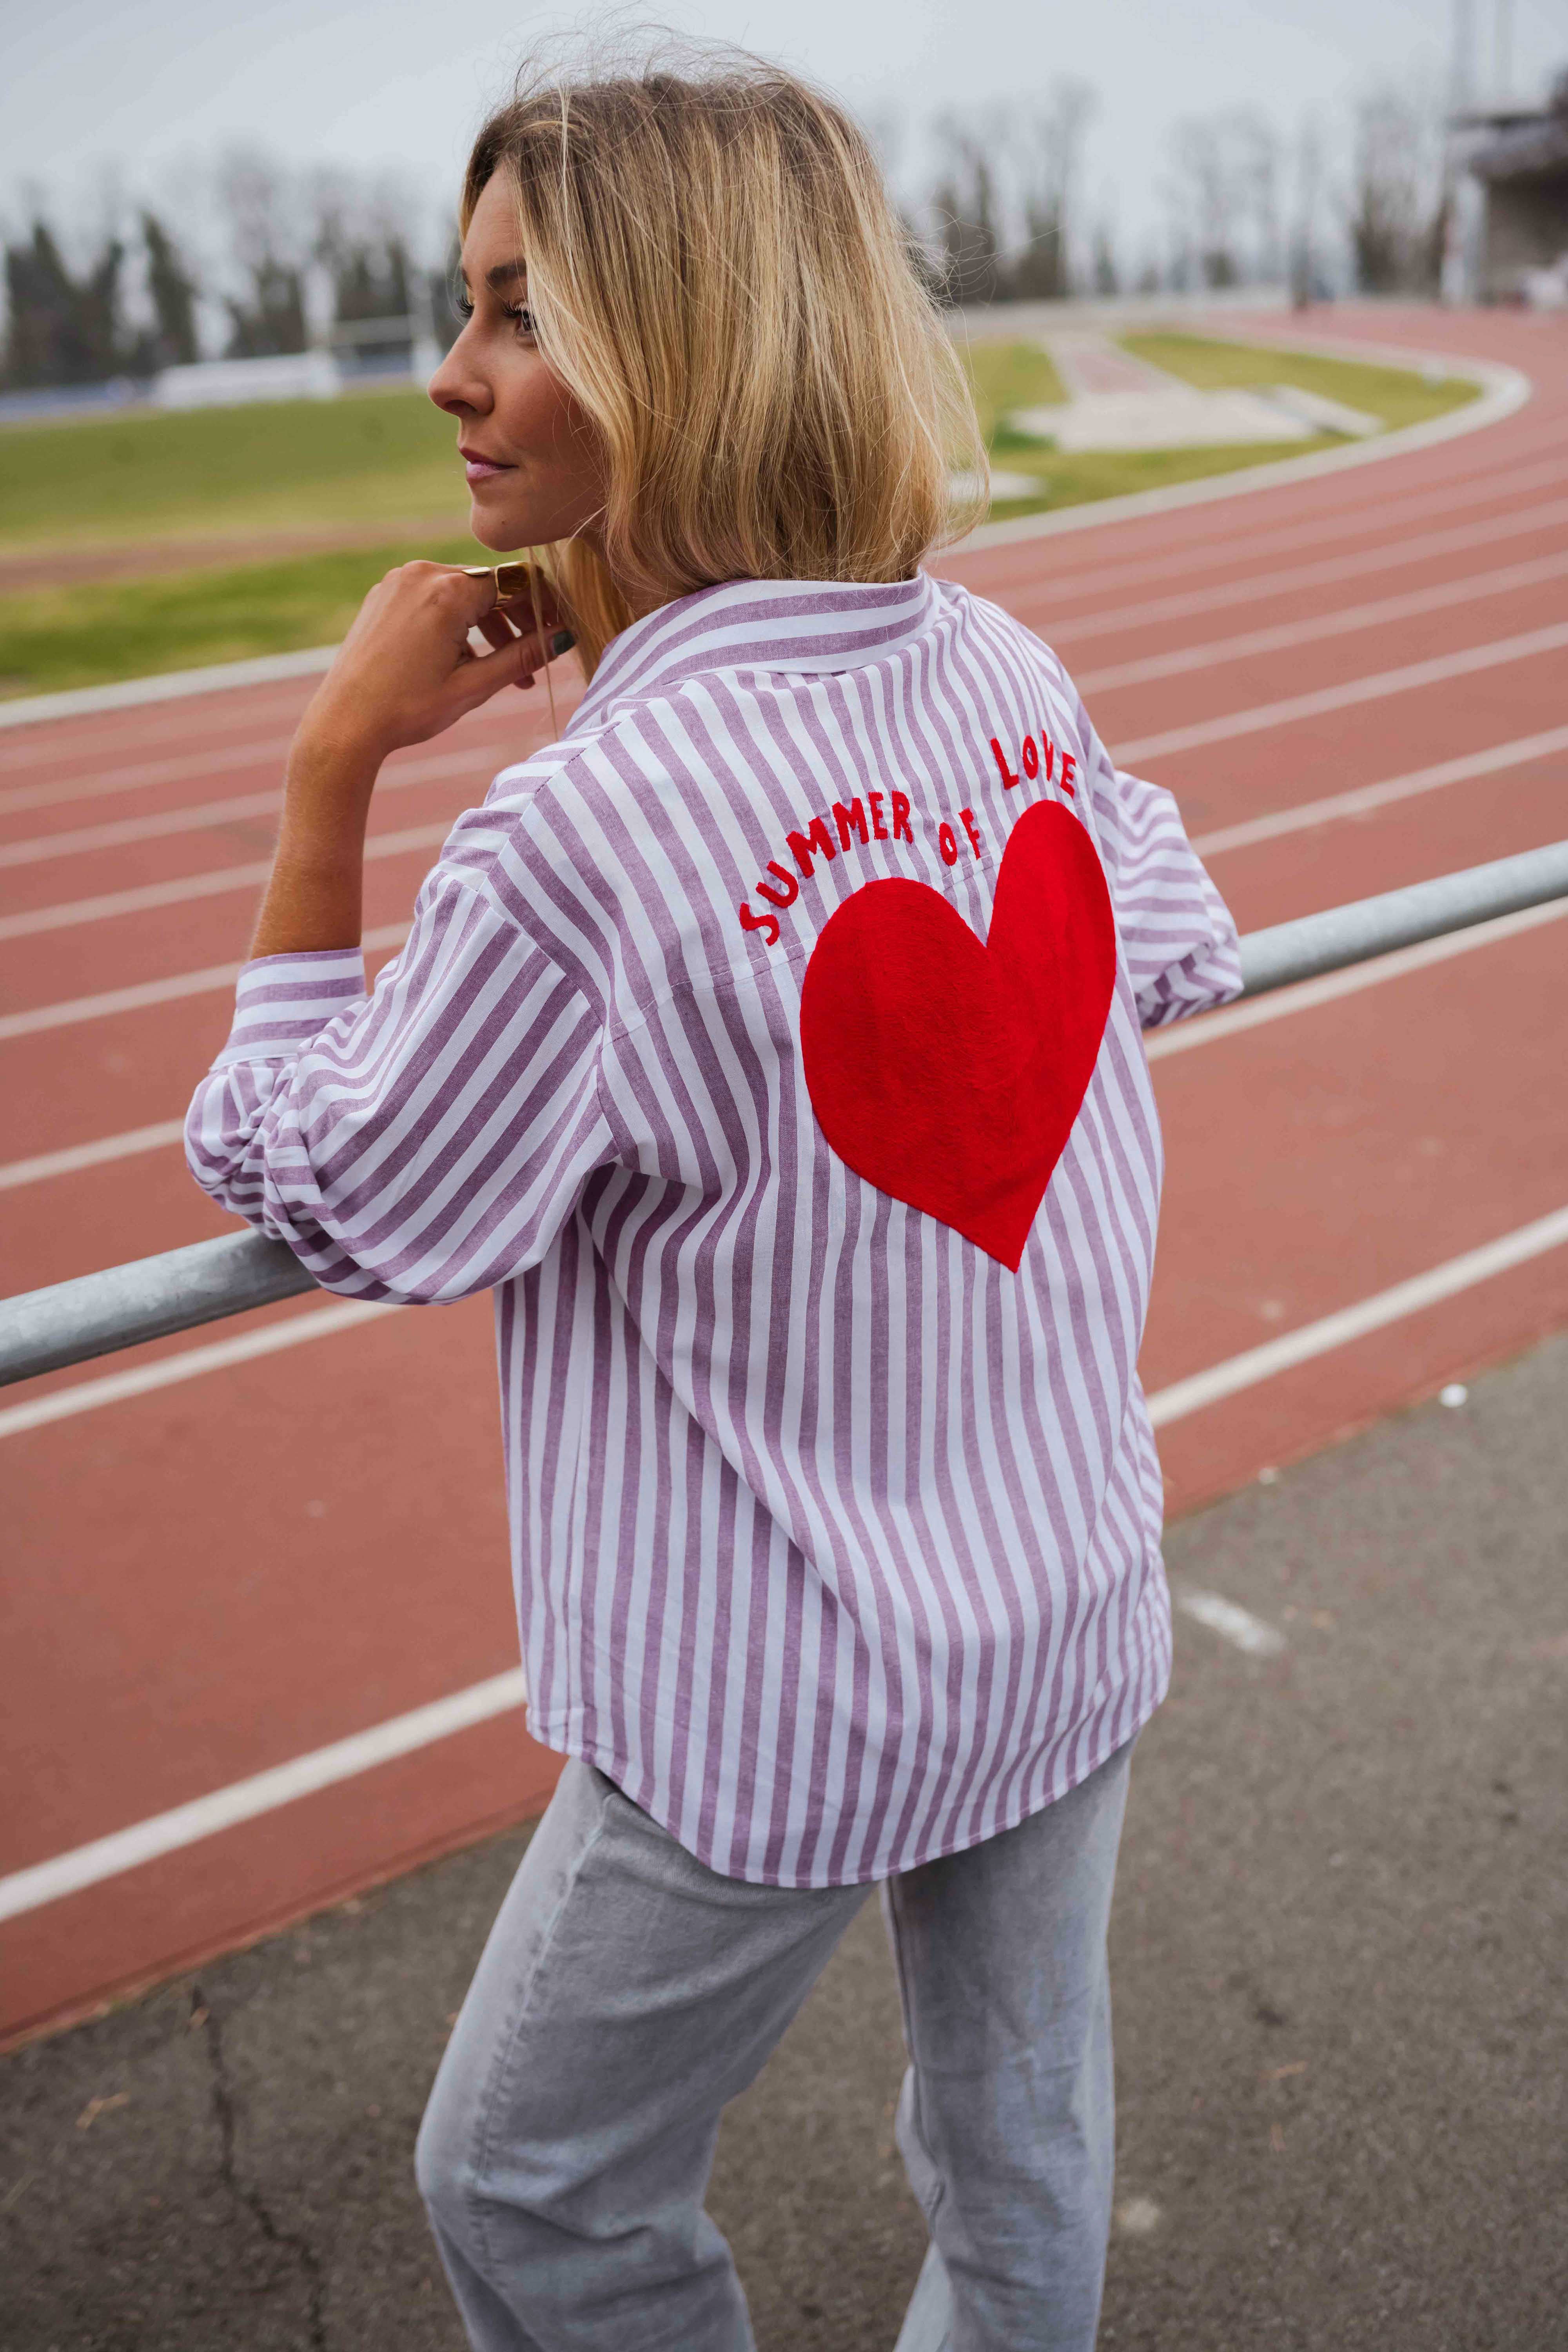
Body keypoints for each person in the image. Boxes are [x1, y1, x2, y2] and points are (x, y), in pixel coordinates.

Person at [184, 48, 1240, 2352]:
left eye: (523, 313)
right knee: (1023, 2143)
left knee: (530, 2183)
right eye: (459, 306)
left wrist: (330, 775)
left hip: (782, 1690)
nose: (450, 378)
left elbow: (347, 1190)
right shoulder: (998, 665)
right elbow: (1165, 921)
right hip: (1065, 1598)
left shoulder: (589, 835)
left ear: (694, 337)